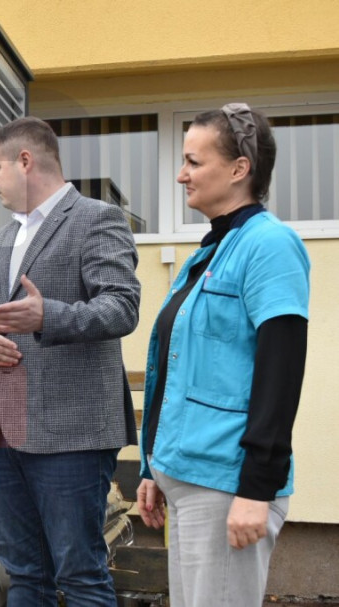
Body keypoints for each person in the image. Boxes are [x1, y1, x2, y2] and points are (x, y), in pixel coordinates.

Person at [136, 103, 309, 607]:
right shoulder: (211, 252)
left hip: (227, 486)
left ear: (239, 169)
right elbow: (183, 369)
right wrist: (153, 467)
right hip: (189, 480)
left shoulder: (270, 245)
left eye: (194, 161)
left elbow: (281, 371)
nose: (181, 174)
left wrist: (257, 489)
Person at [0, 116, 141, 605]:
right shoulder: (3, 239)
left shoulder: (97, 218)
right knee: (23, 575)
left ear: (25, 161)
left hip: (72, 433)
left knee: (80, 576)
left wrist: (48, 316)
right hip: (2, 428)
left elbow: (122, 306)